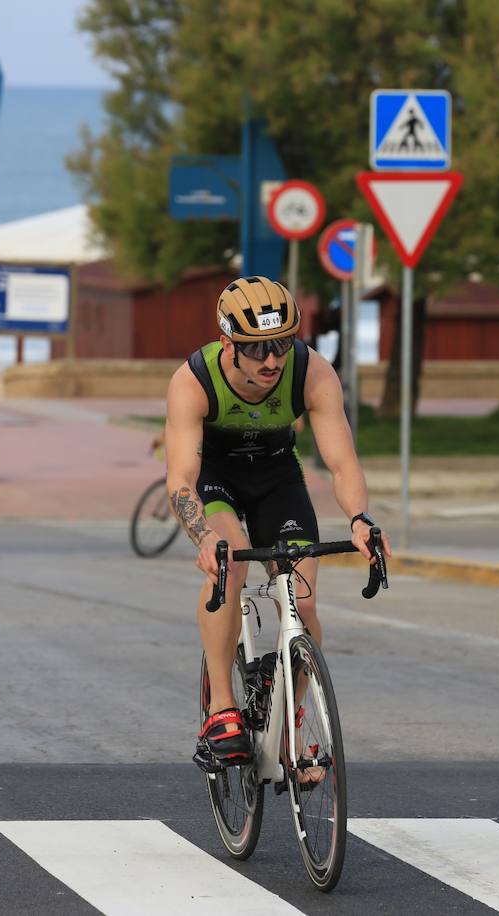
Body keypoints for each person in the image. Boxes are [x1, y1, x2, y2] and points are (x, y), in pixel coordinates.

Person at [164, 276, 391, 767]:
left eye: (281, 344)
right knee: (232, 565)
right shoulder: (194, 380)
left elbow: (342, 463)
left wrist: (359, 518)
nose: (271, 360)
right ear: (229, 343)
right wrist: (204, 537)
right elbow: (181, 477)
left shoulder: (311, 371)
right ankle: (221, 707)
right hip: (217, 479)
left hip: (276, 478)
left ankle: (291, 728)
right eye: (257, 348)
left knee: (304, 604)